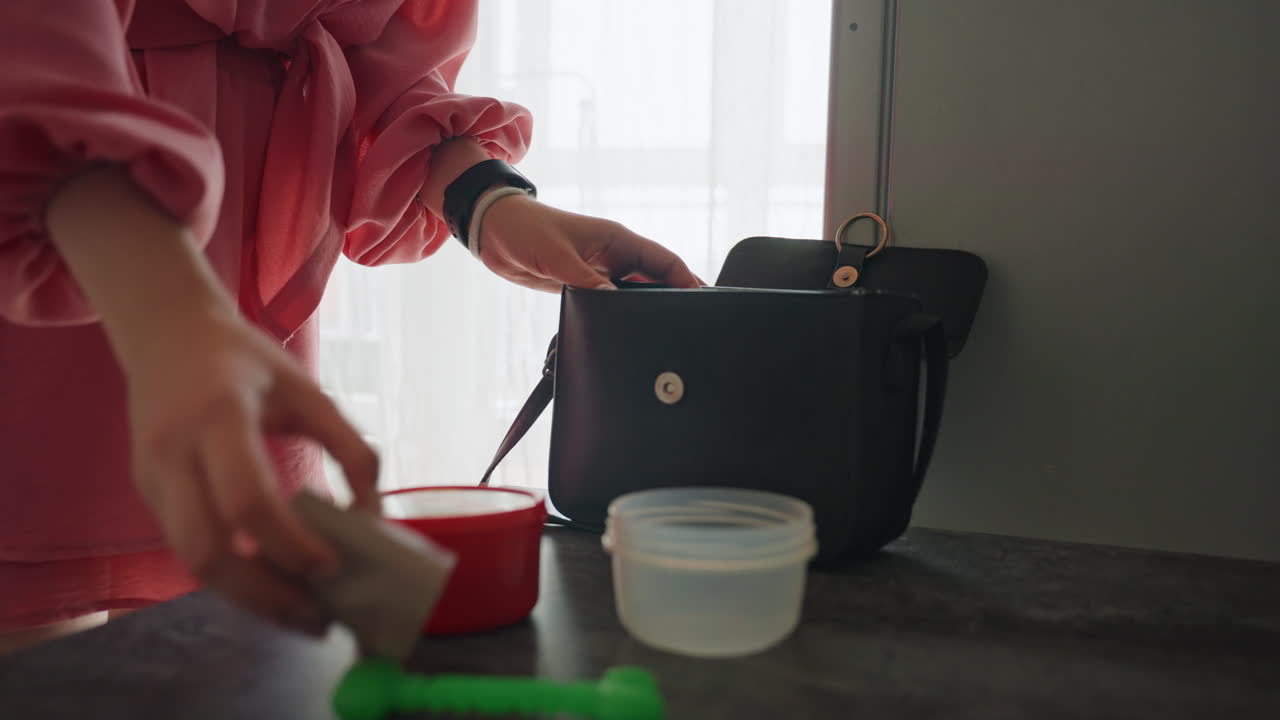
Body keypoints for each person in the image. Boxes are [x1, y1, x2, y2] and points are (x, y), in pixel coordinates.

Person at [0, 0, 700, 654]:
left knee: (229, 658)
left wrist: (493, 209)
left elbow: (382, 58)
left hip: (241, 295)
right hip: (46, 244)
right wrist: (167, 311)